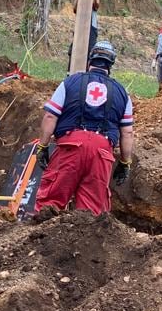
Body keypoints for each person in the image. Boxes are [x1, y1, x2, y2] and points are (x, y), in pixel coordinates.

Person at [34, 40, 134, 217]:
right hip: (102, 151)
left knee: (50, 202)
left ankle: (38, 239)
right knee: (91, 213)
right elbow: (127, 132)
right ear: (110, 65)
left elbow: (50, 116)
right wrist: (125, 162)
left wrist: (42, 146)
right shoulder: (122, 93)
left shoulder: (70, 82)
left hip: (71, 146)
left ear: (90, 61)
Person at [66, 0, 100, 71]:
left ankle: (87, 73)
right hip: (79, 30)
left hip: (91, 32)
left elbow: (97, 3)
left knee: (89, 53)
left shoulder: (93, 7)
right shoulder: (80, 7)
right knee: (74, 51)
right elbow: (74, 8)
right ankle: (70, 72)